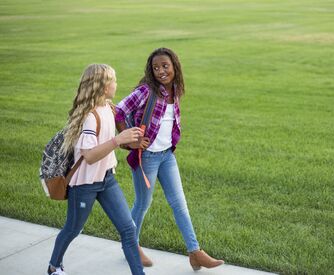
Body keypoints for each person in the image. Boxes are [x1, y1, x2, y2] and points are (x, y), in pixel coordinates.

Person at [115, 48, 224, 270]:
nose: (161, 71)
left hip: (167, 156)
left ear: (174, 66)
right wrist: (131, 140)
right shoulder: (146, 91)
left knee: (180, 204)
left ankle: (195, 252)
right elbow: (118, 111)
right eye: (156, 68)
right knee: (143, 203)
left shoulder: (175, 89)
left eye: (165, 66)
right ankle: (131, 247)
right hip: (147, 158)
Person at [47, 64, 145, 275]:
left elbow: (111, 140)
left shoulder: (109, 108)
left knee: (128, 229)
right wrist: (118, 141)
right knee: (73, 228)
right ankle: (54, 267)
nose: (116, 84)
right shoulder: (90, 117)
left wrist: (131, 142)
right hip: (84, 185)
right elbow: (90, 155)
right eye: (113, 80)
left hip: (107, 180)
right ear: (102, 86)